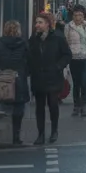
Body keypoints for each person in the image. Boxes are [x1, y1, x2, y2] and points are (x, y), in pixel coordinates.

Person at [28, 13, 72, 146]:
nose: (37, 25)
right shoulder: (33, 39)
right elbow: (29, 55)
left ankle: (54, 130)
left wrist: (58, 66)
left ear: (47, 24)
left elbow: (67, 54)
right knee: (39, 107)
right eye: (36, 22)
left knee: (53, 105)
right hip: (38, 77)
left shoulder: (57, 38)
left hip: (53, 77)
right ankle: (40, 134)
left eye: (40, 22)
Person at [0, 20, 30, 145]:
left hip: (3, 76)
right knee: (19, 106)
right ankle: (16, 135)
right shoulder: (23, 44)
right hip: (19, 77)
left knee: (5, 100)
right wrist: (24, 73)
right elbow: (29, 60)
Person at [65, 7, 86, 118]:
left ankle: (83, 106)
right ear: (73, 16)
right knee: (76, 83)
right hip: (73, 58)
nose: (78, 17)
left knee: (83, 81)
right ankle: (76, 106)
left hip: (85, 57)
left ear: (83, 16)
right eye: (76, 15)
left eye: (80, 15)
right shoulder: (68, 27)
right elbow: (66, 42)